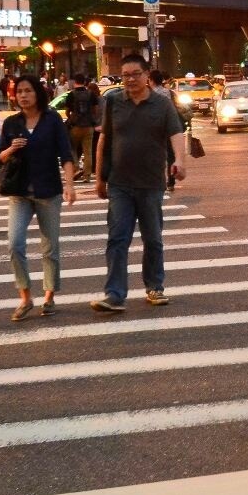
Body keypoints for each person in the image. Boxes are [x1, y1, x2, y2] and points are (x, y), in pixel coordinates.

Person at [92, 53, 186, 313]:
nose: (130, 79)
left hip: (151, 183)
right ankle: (114, 294)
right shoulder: (113, 102)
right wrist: (100, 177)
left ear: (147, 75)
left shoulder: (162, 104)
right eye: (125, 75)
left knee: (153, 239)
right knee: (117, 238)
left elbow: (176, 133)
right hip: (120, 183)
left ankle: (155, 287)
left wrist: (180, 160)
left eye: (136, 74)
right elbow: (104, 141)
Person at [0, 76, 76, 320]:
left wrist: (70, 185)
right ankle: (25, 297)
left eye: (27, 90)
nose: (23, 95)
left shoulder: (52, 121)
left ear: (37, 93)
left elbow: (66, 155)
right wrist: (10, 150)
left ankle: (49, 296)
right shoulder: (12, 123)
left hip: (48, 191)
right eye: (19, 91)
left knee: (49, 247)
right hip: (19, 192)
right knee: (14, 244)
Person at [62, 73, 100, 182]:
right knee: (88, 151)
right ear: (84, 82)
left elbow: (67, 111)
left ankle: (76, 168)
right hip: (88, 127)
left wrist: (72, 118)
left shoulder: (71, 95)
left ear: (74, 82)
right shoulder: (91, 94)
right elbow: (95, 110)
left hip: (75, 126)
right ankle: (87, 176)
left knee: (72, 148)